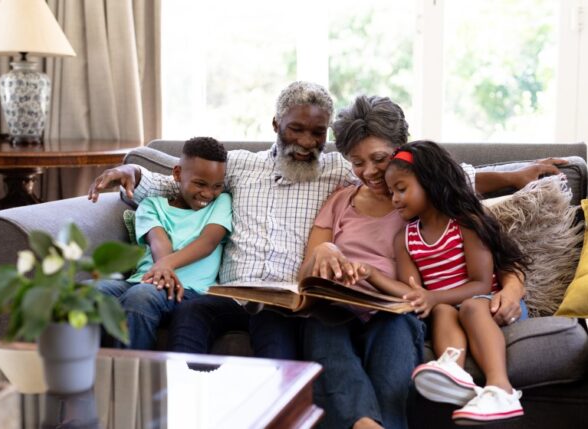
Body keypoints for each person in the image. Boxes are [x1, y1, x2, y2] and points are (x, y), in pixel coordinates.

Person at [86, 81, 564, 359]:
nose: (306, 141)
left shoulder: (345, 169)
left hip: (290, 297)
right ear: (276, 126)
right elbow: (188, 181)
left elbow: (446, 177)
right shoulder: (242, 166)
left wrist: (518, 174)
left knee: (284, 327)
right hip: (233, 292)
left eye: (317, 133)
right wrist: (134, 172)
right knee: (192, 312)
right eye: (296, 129)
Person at [299, 96, 534, 429]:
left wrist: (511, 290)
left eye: (378, 158)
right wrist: (323, 253)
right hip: (341, 307)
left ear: (400, 148)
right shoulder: (339, 200)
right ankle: (364, 423)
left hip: (398, 309)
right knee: (320, 328)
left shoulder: (431, 201)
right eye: (357, 162)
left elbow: (501, 257)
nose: (369, 172)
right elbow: (306, 276)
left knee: (396, 328)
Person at [384, 140, 529, 425]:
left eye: (401, 189)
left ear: (431, 182)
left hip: (489, 305)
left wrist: (434, 297)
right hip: (450, 307)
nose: (395, 199)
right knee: (442, 311)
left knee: (470, 307)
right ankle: (454, 373)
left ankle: (502, 388)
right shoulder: (405, 238)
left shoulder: (465, 222)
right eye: (391, 192)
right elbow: (415, 291)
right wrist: (372, 276)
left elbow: (481, 285)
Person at [97, 137, 232, 350]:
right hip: (142, 281)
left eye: (217, 186)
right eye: (200, 183)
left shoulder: (221, 202)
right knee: (84, 293)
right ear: (177, 174)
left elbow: (208, 242)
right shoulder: (152, 205)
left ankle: (132, 379)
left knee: (141, 297)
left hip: (190, 290)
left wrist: (166, 266)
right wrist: (164, 266)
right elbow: (158, 240)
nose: (208, 193)